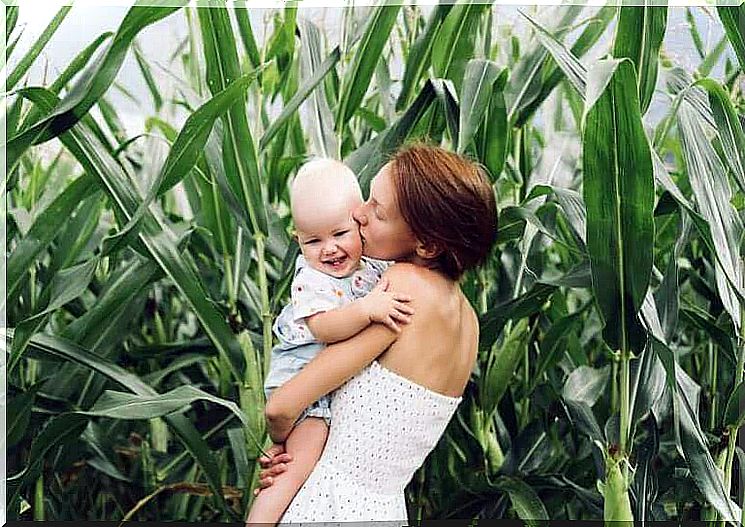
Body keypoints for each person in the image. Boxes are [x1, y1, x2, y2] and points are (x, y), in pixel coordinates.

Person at [252, 143, 498, 524]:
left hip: (328, 506)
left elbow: (281, 406)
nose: (359, 214)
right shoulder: (469, 322)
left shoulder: (403, 287)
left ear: (428, 244)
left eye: (376, 211)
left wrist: (283, 447)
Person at [245, 158, 415, 524]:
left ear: (359, 223)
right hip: (303, 381)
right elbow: (326, 329)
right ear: (297, 241)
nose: (329, 250)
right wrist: (369, 309)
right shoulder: (311, 279)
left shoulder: (373, 265)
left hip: (325, 382)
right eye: (313, 241)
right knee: (299, 460)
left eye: (340, 234)